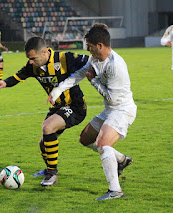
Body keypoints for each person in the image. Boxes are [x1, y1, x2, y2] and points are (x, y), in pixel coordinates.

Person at [48, 23, 136, 201]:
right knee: (85, 139)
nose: (87, 49)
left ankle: (115, 190)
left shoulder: (116, 65)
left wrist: (94, 81)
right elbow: (79, 74)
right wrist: (57, 90)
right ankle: (120, 159)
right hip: (110, 110)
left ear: (100, 45)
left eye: (89, 46)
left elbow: (111, 97)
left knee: (103, 145)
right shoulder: (95, 59)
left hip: (122, 110)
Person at [0, 37, 89, 186]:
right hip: (57, 106)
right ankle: (48, 170)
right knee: (43, 143)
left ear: (44, 52)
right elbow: (19, 76)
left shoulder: (64, 58)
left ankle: (52, 174)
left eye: (33, 58)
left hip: (75, 107)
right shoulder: (33, 66)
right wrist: (4, 82)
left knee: (47, 127)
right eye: (28, 59)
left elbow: (91, 61)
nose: (31, 61)